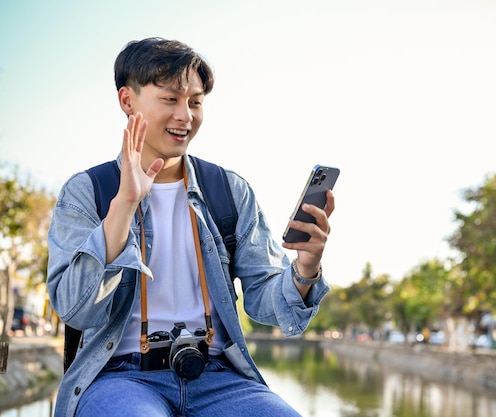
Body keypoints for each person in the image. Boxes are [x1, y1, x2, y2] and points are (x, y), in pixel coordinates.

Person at [46, 37, 334, 417]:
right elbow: (75, 310)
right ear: (127, 101)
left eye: (195, 102)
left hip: (218, 376)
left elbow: (265, 300)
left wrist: (305, 269)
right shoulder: (88, 192)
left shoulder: (228, 190)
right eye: (171, 99)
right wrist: (123, 205)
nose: (186, 115)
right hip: (120, 378)